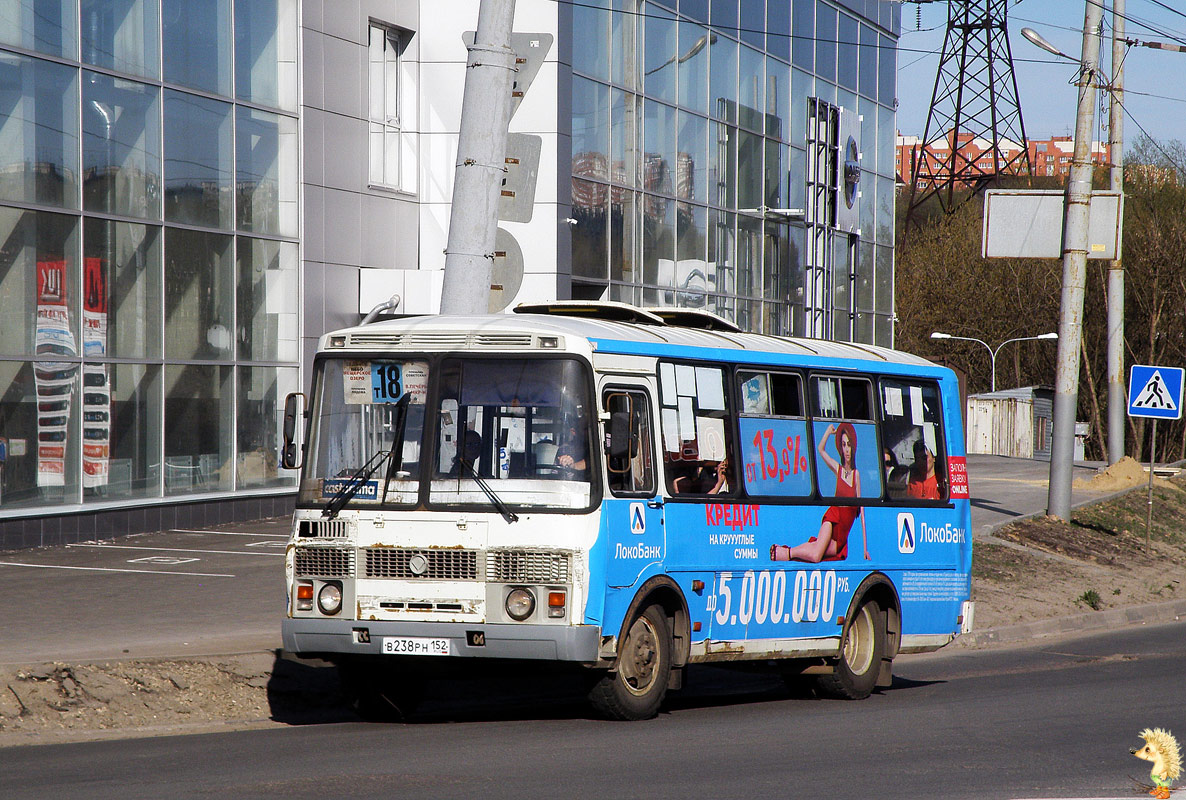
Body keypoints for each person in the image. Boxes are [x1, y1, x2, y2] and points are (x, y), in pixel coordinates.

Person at [770, 422, 868, 562]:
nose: (846, 450)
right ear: (840, 448)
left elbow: (862, 509)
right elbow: (821, 449)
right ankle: (786, 553)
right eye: (843, 445)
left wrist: (865, 548)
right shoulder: (838, 469)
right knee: (816, 555)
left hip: (842, 534)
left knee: (816, 549)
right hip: (833, 518)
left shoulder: (856, 474)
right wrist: (828, 432)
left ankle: (785, 551)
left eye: (849, 445)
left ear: (854, 447)